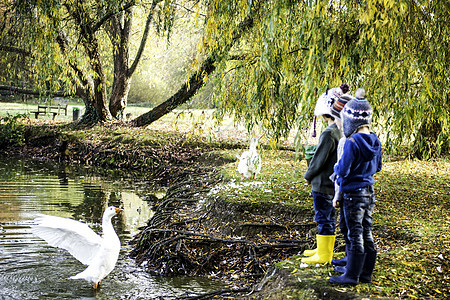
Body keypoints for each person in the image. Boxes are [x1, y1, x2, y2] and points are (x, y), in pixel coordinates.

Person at [329, 88, 382, 285]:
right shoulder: (375, 140)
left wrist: (336, 168)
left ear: (351, 121)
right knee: (366, 231)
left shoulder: (351, 142)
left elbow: (342, 170)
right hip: (369, 192)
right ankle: (365, 273)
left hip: (353, 194)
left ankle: (351, 276)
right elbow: (378, 167)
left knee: (355, 233)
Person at [302, 83, 348, 264]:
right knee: (326, 216)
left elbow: (319, 160)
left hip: (322, 183)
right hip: (332, 182)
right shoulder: (340, 131)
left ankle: (324, 255)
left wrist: (307, 175)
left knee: (323, 216)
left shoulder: (329, 133)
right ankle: (322, 250)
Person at [329, 94, 353, 269]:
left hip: (347, 192)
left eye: (336, 119)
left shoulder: (345, 141)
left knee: (349, 228)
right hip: (354, 191)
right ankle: (348, 257)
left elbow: (342, 172)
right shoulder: (354, 139)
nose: (335, 123)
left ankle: (351, 263)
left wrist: (337, 195)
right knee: (348, 227)